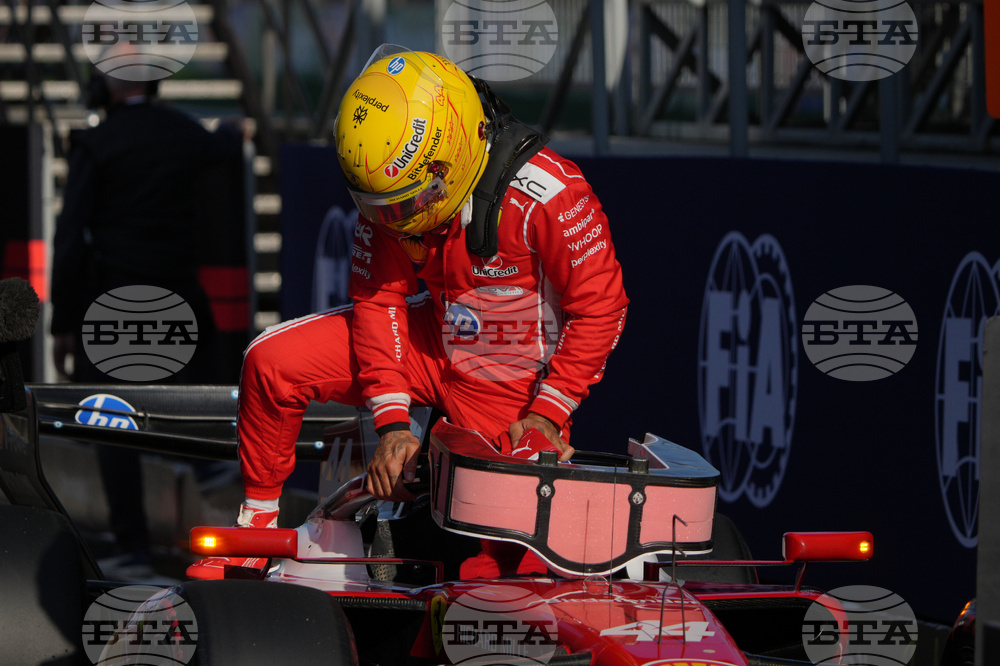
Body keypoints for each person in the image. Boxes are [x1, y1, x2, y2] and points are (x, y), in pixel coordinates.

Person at [234, 45, 628, 577]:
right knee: (271, 360)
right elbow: (379, 301)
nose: (389, 220)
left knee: (491, 553)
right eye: (375, 207)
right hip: (432, 338)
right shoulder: (392, 185)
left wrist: (546, 415)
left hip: (506, 381)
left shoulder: (554, 196)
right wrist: (393, 424)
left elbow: (601, 310)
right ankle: (256, 531)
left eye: (400, 205)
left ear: (451, 157)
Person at [50, 65, 243, 572]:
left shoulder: (96, 144)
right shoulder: (181, 131)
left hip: (114, 305)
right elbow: (223, 148)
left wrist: (63, 323)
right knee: (199, 406)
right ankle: (217, 496)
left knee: (114, 427)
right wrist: (231, 130)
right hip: (181, 301)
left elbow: (69, 241)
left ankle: (133, 546)